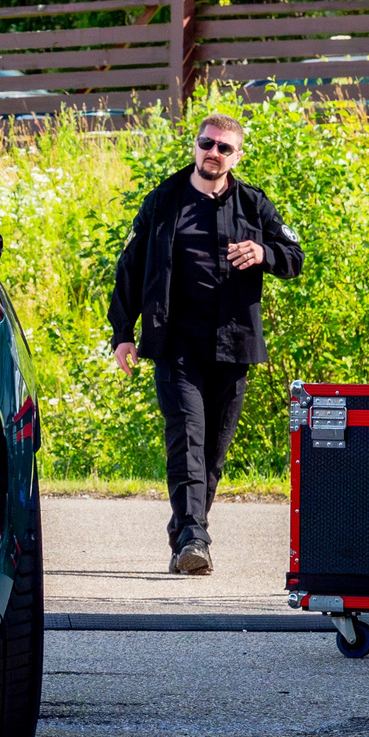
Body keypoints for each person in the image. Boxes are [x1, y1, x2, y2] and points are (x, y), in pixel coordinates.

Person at [108, 112, 304, 576]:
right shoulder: (163, 201)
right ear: (195, 146)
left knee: (213, 452)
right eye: (206, 143)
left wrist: (264, 253)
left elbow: (295, 257)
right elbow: (130, 269)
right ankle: (196, 537)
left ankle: (185, 532)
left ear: (237, 155)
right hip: (175, 345)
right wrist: (122, 333)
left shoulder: (254, 205)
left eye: (223, 148)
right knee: (186, 440)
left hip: (233, 346)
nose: (212, 153)